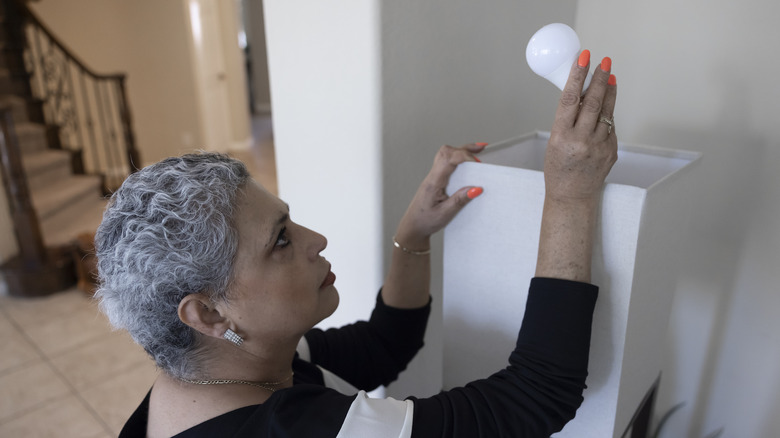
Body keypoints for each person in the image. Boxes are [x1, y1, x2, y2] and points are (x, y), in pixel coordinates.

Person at [97, 50, 617, 437]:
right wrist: (570, 197)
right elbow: (537, 396)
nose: (316, 240)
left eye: (290, 223)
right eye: (280, 241)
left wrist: (411, 236)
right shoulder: (293, 429)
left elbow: (381, 347)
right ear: (208, 314)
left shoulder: (226, 364)